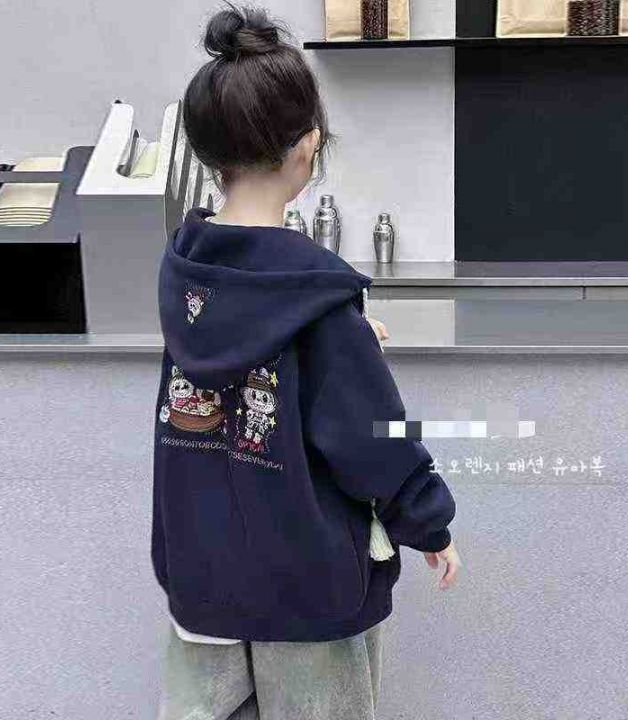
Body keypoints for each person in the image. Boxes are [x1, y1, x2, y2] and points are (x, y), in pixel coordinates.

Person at [152, 4, 461, 718]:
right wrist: (429, 523)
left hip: (201, 580)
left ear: (210, 151)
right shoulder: (315, 295)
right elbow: (370, 440)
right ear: (309, 144)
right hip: (307, 588)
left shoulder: (190, 274)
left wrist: (338, 334)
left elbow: (240, 355)